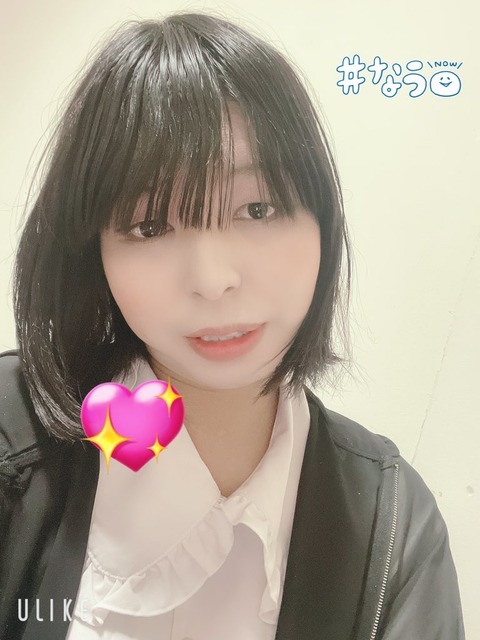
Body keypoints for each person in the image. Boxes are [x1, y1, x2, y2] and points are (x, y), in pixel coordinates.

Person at [0, 12, 464, 640]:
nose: (213, 280)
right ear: (94, 253)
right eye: (150, 226)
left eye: (258, 208)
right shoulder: (12, 435)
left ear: (323, 223)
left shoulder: (392, 524)